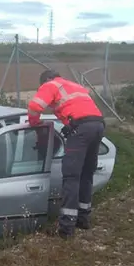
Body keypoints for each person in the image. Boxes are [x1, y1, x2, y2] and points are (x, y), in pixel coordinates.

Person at [27, 69, 105, 238]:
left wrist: (35, 123)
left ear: (47, 79)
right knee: (86, 174)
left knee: (71, 177)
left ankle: (66, 227)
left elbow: (34, 106)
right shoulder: (74, 85)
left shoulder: (51, 85)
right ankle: (83, 219)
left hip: (81, 129)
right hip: (98, 125)